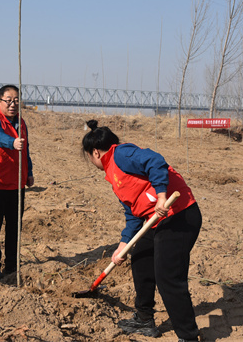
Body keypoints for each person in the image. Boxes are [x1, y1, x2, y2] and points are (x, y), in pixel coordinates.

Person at [82, 120, 201, 342]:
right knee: (141, 260)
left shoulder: (121, 154)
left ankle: (189, 336)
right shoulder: (114, 174)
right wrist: (123, 245)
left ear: (95, 153)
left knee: (168, 277)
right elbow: (132, 213)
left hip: (180, 214)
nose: (91, 161)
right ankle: (144, 319)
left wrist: (162, 196)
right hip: (156, 221)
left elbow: (155, 161)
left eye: (89, 157)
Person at [0, 85, 34, 279]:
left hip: (17, 183)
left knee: (14, 226)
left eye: (16, 100)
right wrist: (12, 142)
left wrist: (28, 171)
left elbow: (26, 148)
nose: (13, 104)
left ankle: (12, 264)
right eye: (8, 100)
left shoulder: (21, 123)